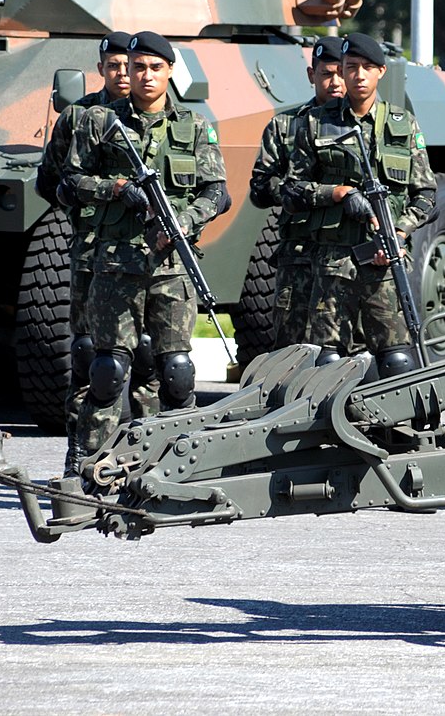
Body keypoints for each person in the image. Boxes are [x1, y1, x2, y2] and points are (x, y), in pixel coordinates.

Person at [59, 31, 230, 464]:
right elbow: (70, 182)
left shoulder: (194, 127)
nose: (146, 75)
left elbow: (217, 192)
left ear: (170, 71)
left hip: (171, 265)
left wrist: (185, 221)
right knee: (107, 369)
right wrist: (115, 188)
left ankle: (181, 462)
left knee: (175, 371)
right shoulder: (98, 121)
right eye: (137, 67)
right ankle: (87, 462)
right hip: (114, 263)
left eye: (155, 67)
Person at [282, 31, 437, 375]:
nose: (358, 75)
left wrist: (399, 232)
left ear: (381, 71)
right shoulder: (315, 122)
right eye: (351, 66)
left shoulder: (402, 124)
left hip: (386, 263)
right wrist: (337, 193)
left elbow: (426, 194)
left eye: (368, 67)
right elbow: (291, 191)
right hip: (332, 264)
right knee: (328, 364)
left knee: (397, 361)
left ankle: (394, 429)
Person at [40, 32, 144, 472]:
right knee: (91, 356)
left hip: (143, 255)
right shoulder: (79, 118)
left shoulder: (153, 118)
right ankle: (80, 452)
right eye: (114, 66)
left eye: (129, 65)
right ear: (100, 69)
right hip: (90, 251)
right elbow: (51, 182)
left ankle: (140, 454)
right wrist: (90, 209)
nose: (123, 74)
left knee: (150, 355)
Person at [249, 36, 346, 348]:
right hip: (299, 255)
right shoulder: (286, 126)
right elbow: (260, 189)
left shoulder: (364, 127)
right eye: (326, 74)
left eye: (341, 73)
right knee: (291, 346)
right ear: (311, 75)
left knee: (348, 347)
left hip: (349, 254)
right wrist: (300, 192)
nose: (335, 83)